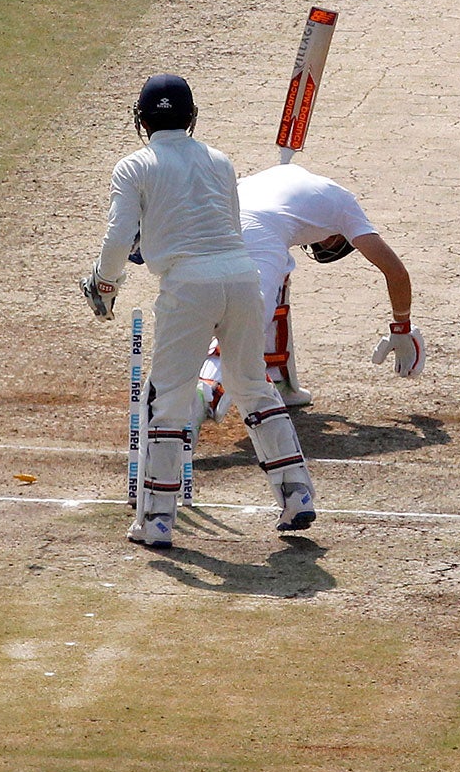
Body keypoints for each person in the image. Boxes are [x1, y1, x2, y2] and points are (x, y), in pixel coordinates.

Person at [81, 76, 316, 549]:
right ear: (190, 117)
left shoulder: (133, 167)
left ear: (142, 120)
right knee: (252, 386)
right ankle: (297, 495)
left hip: (188, 288)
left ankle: (157, 520)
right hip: (243, 281)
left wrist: (105, 284)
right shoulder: (219, 161)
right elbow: (227, 223)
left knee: (166, 399)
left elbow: (118, 237)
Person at [197, 161, 422, 421]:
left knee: (257, 289)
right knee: (242, 329)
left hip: (209, 228)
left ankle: (279, 381)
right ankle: (200, 396)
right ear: (340, 236)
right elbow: (396, 272)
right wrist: (402, 327)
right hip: (255, 234)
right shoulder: (344, 204)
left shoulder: (275, 178)